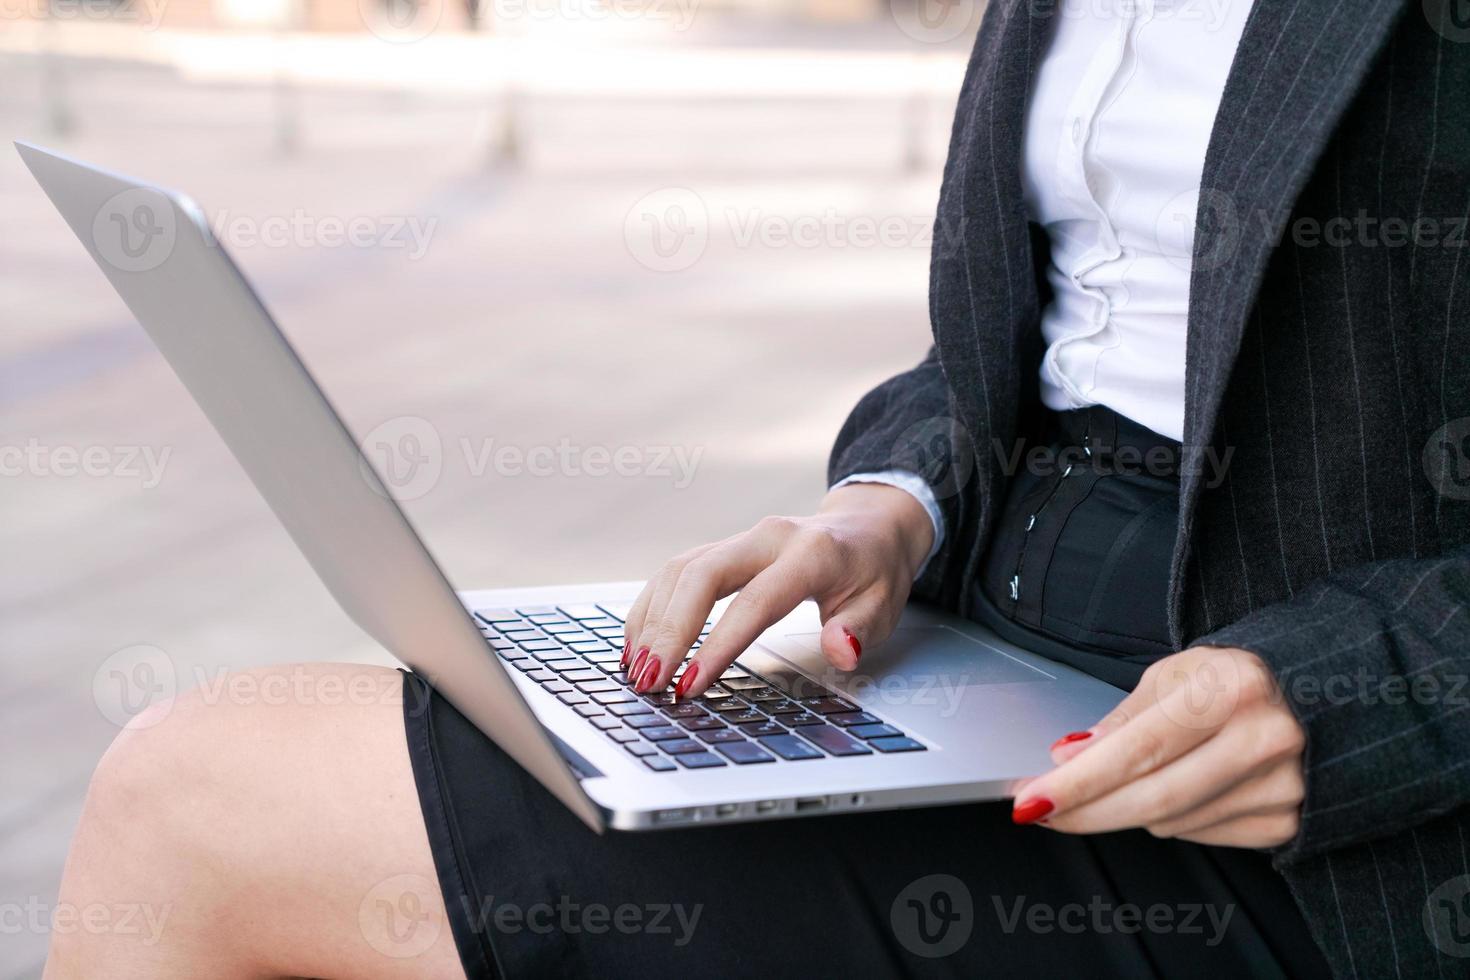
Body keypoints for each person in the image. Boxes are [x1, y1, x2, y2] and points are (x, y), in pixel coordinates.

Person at [43, 0, 1470, 976]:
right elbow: (1026, 350)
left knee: (190, 797)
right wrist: (884, 507)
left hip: (1305, 832)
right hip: (983, 671)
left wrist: (1362, 695)